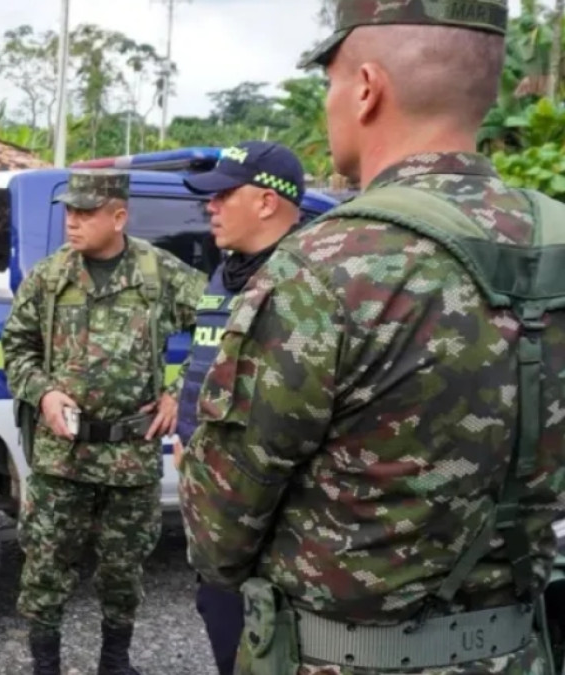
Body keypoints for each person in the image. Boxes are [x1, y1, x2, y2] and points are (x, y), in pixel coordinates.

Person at [178, 1, 565, 674]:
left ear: (365, 88)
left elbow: (218, 531)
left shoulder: (324, 266)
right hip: (520, 651)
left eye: (330, 82)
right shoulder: (554, 241)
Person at [2, 169, 205, 675]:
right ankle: (45, 666)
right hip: (62, 457)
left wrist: (181, 394)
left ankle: (115, 663)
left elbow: (220, 330)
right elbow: (17, 347)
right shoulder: (49, 277)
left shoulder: (160, 274)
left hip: (130, 456)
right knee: (46, 567)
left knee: (123, 570)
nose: (72, 221)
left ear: (118, 217)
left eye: (86, 212)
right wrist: (44, 392)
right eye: (69, 211)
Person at [172, 140, 308, 675]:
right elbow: (205, 359)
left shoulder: (307, 281)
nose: (210, 206)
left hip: (275, 521)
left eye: (224, 195)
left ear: (267, 202)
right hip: (213, 506)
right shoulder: (225, 272)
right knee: (223, 625)